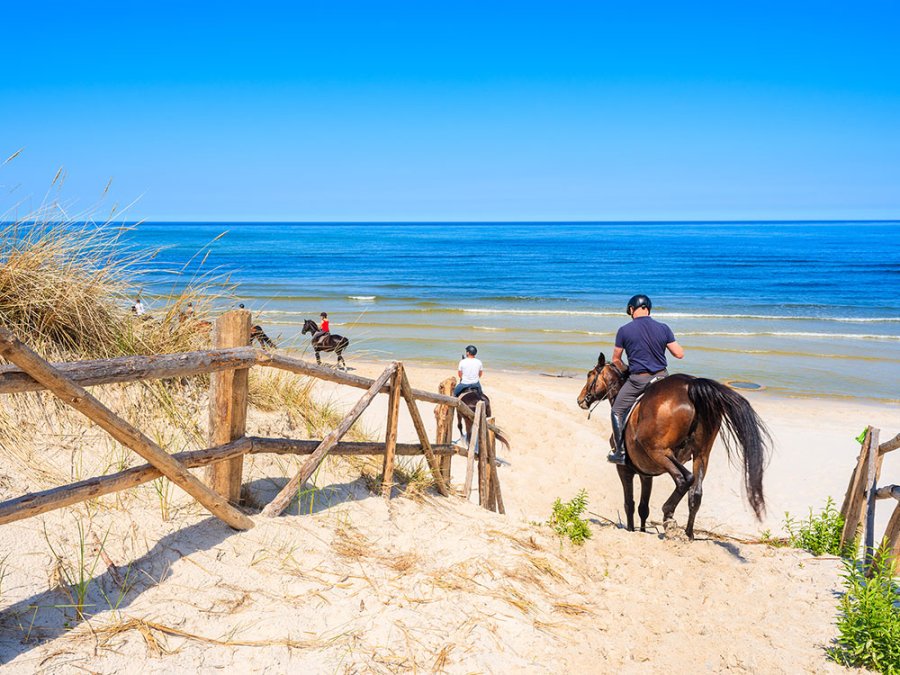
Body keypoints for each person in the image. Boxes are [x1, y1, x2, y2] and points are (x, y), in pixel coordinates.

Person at [608, 294, 684, 465]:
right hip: (662, 379)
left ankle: (620, 452)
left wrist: (627, 369)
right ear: (648, 309)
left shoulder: (624, 330)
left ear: (631, 309)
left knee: (617, 411)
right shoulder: (664, 328)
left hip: (638, 381)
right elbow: (679, 354)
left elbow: (616, 360)